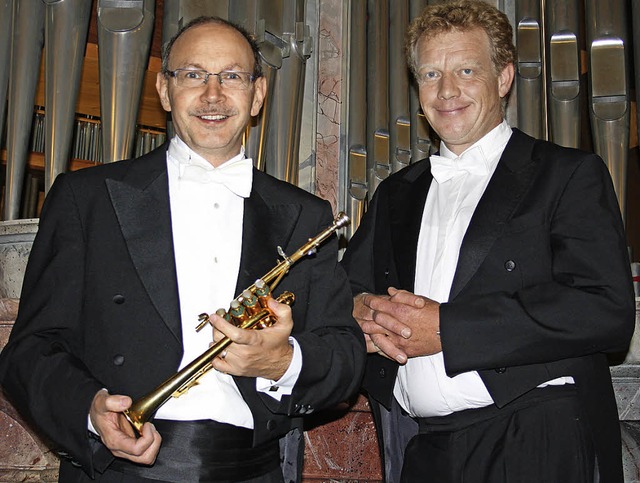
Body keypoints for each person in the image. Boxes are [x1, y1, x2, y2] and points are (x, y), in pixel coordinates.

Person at [0, 16, 365, 483]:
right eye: (193, 75)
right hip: (117, 472)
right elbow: (30, 348)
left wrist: (282, 361)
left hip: (254, 470)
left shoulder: (305, 215)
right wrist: (90, 410)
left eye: (232, 76)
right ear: (165, 90)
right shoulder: (85, 198)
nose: (213, 95)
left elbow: (345, 355)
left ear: (257, 95)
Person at [341, 1, 636, 482]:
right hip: (423, 444)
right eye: (432, 74)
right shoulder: (395, 193)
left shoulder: (566, 174)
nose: (447, 90)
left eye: (466, 70)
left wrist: (449, 330)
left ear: (502, 78)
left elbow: (604, 309)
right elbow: (344, 292)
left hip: (535, 436)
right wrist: (359, 312)